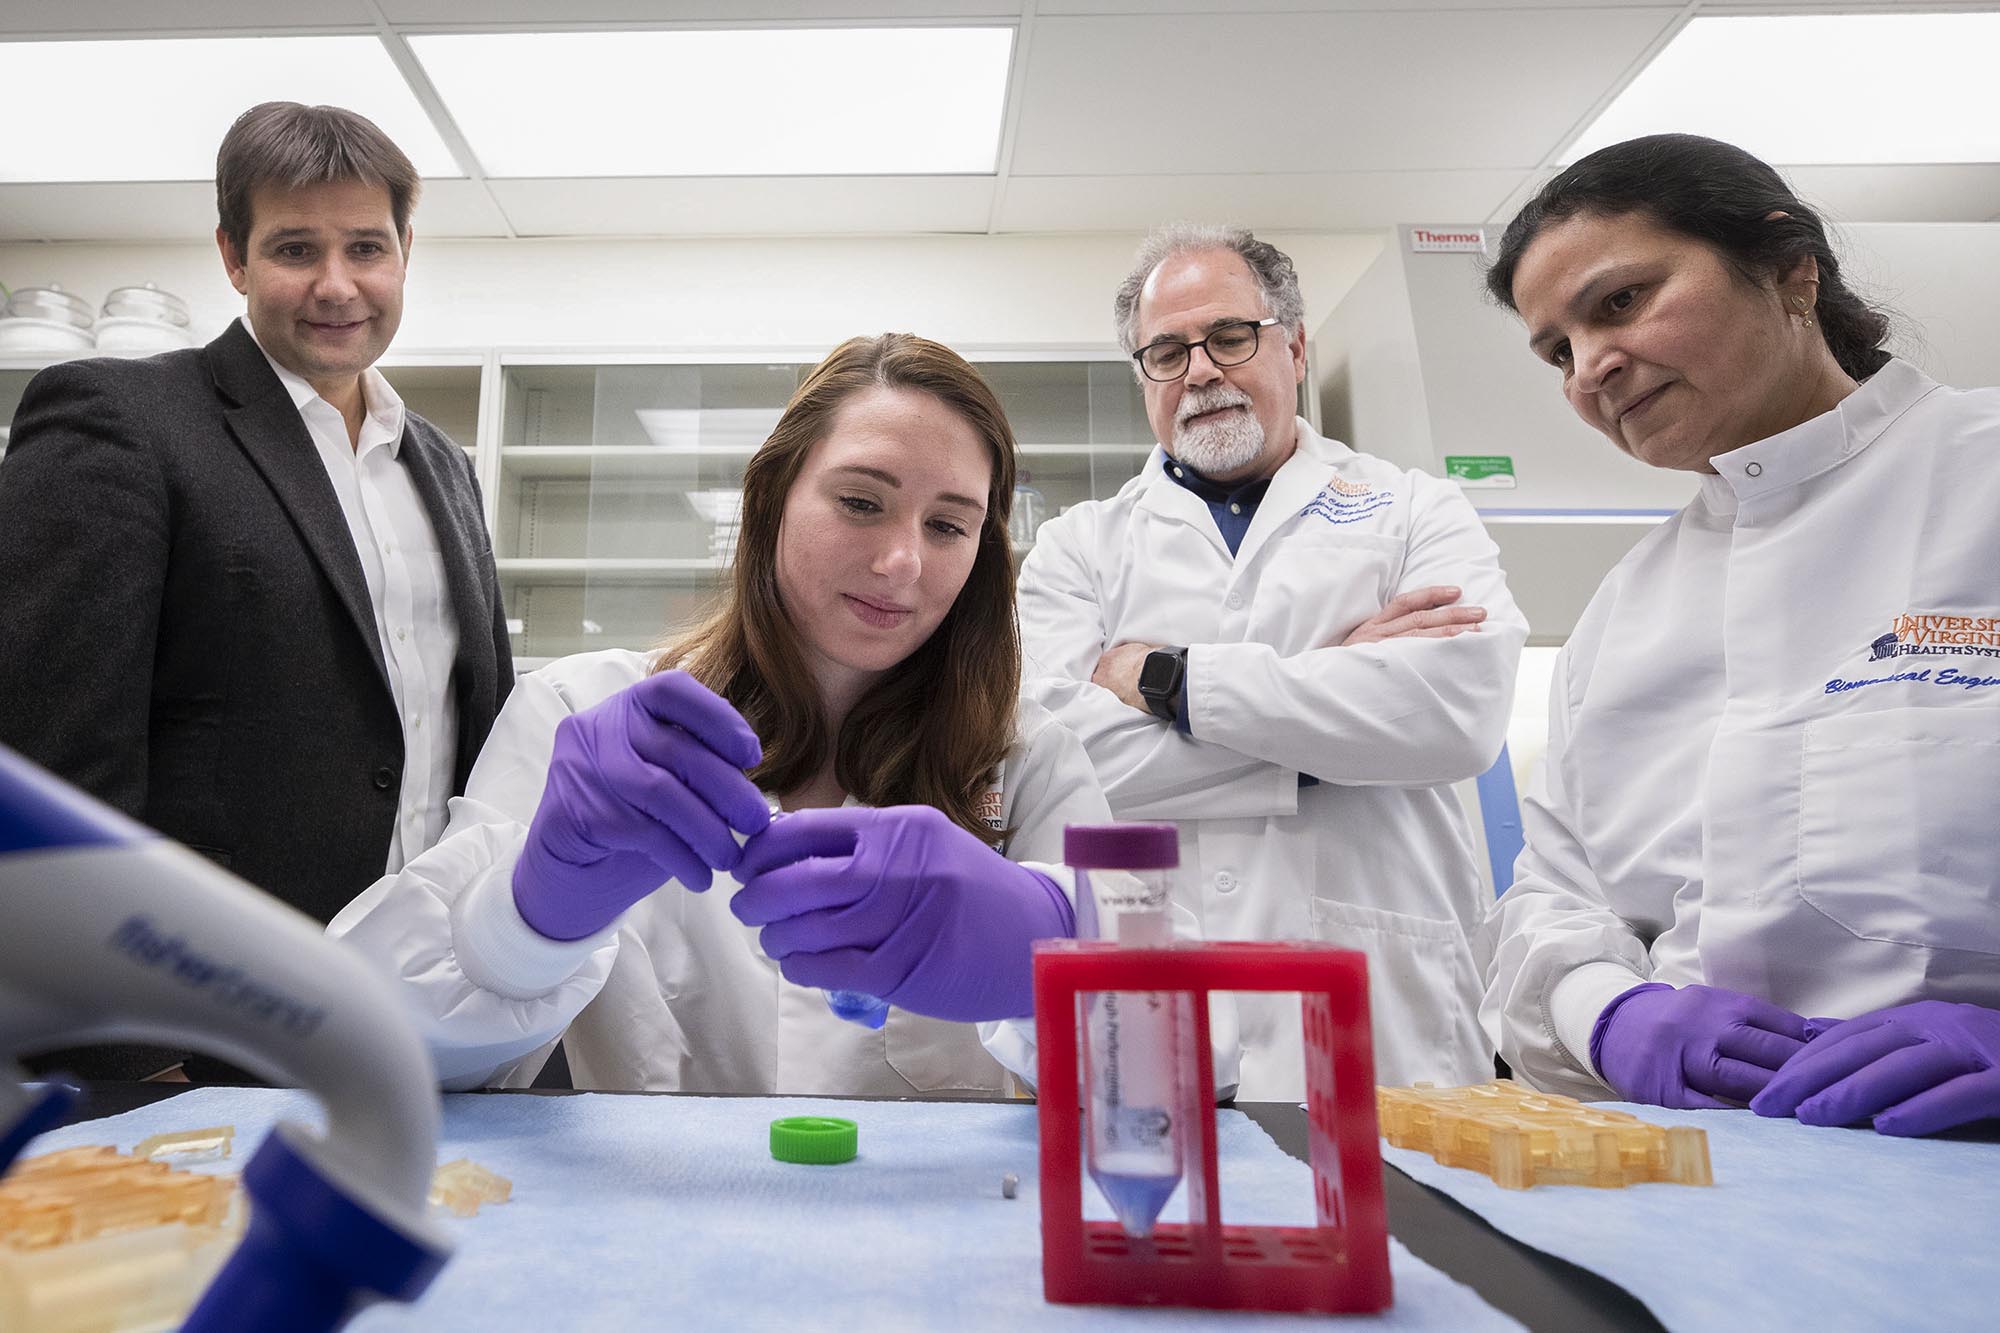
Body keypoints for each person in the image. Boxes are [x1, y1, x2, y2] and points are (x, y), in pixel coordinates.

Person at [332, 333, 1115, 1095]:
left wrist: (1049, 944)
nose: (903, 560)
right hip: (649, 1224)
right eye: (860, 502)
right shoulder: (584, 712)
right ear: (771, 499)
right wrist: (524, 916)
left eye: (948, 525)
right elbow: (372, 1051)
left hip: (946, 1227)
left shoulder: (1030, 754)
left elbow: (1172, 1065)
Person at [1481, 133, 2000, 1137]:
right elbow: (1552, 898)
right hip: (1704, 1183)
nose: (1590, 367)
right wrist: (1613, 1013)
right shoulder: (1624, 610)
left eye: (1618, 301)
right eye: (1557, 349)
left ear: (1788, 270)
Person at [0, 102, 510, 1081]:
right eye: (293, 248)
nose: (335, 284)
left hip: (427, 1011)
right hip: (204, 1033)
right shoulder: (122, 421)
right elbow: (50, 759)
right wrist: (127, 1047)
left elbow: (469, 752)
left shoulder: (441, 467)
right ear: (233, 257)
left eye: (365, 245)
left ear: (405, 250)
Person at [1016, 224, 1528, 1099]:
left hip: (1380, 1011)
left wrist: (1168, 679)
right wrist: (1334, 722)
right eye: (1166, 352)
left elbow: (1454, 715)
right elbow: (1059, 762)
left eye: (1228, 337)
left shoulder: (1412, 510)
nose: (1201, 370)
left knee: (1404, 1232)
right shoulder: (1078, 548)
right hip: (1155, 1007)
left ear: (1293, 346)